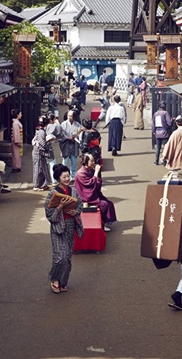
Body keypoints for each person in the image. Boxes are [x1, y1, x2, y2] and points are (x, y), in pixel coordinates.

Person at [44, 164, 83, 294]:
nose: (67, 179)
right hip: (57, 226)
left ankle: (63, 281)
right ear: (58, 178)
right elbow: (49, 214)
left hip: (70, 224)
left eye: (68, 176)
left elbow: (80, 204)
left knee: (67, 256)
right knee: (59, 257)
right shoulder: (52, 193)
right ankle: (54, 278)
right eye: (64, 177)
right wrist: (60, 207)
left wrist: (75, 212)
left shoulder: (73, 191)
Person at [74, 154, 116, 230]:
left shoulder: (90, 170)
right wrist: (96, 173)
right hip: (85, 197)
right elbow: (89, 184)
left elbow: (96, 184)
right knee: (104, 204)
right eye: (92, 161)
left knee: (109, 203)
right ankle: (103, 223)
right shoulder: (81, 173)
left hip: (91, 194)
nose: (94, 162)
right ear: (86, 162)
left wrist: (97, 174)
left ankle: (105, 222)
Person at [59, 110, 83, 179]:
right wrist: (68, 137)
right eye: (68, 116)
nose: (69, 117)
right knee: (65, 162)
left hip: (74, 145)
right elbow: (61, 134)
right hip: (66, 145)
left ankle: (73, 176)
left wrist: (78, 136)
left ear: (74, 117)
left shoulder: (77, 124)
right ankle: (63, 176)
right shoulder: (63, 124)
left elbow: (81, 131)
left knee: (74, 162)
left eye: (71, 116)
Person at [31, 116, 52, 191]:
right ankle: (37, 185)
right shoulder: (41, 132)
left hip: (38, 152)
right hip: (38, 152)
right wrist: (49, 142)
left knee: (42, 168)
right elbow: (42, 144)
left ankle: (43, 184)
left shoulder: (38, 130)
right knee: (38, 169)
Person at [152, 101, 173, 165]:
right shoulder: (165, 113)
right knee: (165, 147)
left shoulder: (156, 114)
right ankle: (164, 160)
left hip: (157, 132)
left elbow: (153, 124)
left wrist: (153, 131)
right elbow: (169, 123)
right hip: (164, 131)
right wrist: (172, 121)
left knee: (158, 147)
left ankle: (156, 161)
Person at [45, 113, 63, 183]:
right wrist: (57, 122)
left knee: (44, 165)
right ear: (52, 120)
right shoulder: (52, 126)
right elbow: (59, 131)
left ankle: (45, 181)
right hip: (48, 148)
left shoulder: (44, 127)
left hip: (42, 148)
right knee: (52, 163)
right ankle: (54, 180)